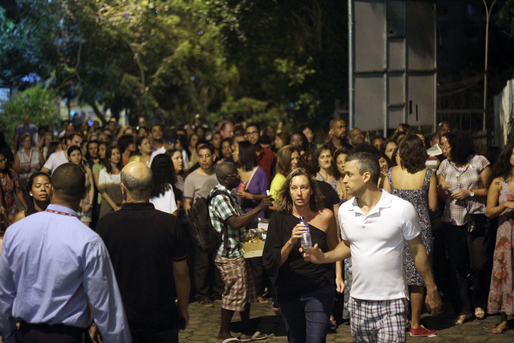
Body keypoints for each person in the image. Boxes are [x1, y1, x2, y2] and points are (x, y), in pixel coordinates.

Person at [303, 152, 442, 342]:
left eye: (349, 174)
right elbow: (348, 246)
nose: (344, 180)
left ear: (366, 176)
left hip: (392, 300)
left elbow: (418, 250)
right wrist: (324, 257)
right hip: (358, 301)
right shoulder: (345, 211)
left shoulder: (401, 208)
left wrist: (431, 288)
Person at [0, 163, 131, 343]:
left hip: (27, 334)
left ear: (52, 189)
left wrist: (8, 336)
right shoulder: (89, 241)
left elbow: (4, 293)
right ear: (84, 193)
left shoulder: (15, 232)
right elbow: (105, 304)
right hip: (69, 336)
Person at [96, 162, 189, 342]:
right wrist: (183, 308)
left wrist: (97, 316)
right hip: (162, 315)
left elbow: (100, 275)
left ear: (123, 189)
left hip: (121, 316)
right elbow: (181, 272)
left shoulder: (106, 224)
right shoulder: (169, 223)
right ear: (151, 187)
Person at [262, 168, 340, 342]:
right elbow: (271, 260)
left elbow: (335, 250)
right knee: (296, 338)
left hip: (319, 287)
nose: (299, 193)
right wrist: (290, 241)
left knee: (316, 338)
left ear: (311, 190)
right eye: (294, 188)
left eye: (304, 187)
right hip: (289, 289)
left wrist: (339, 277)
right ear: (288, 191)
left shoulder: (325, 215)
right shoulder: (279, 218)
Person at [209, 162, 272, 343]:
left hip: (238, 251)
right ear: (223, 179)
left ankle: (246, 331)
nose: (238, 177)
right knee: (234, 292)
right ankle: (223, 334)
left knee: (246, 292)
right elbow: (235, 222)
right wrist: (259, 208)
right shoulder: (220, 197)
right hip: (228, 253)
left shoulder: (229, 195)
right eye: (234, 175)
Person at [383, 134, 438, 337]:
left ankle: (396, 319)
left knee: (396, 274)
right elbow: (433, 205)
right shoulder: (428, 174)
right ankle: (415, 324)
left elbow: (385, 203)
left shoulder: (391, 173)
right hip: (420, 229)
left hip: (395, 229)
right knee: (418, 278)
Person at [437, 132, 491, 325]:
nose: (443, 150)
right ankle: (463, 307)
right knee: (457, 264)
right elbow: (441, 192)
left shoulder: (479, 162)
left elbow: (490, 191)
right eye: (442, 146)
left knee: (479, 262)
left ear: (458, 145)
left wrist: (469, 192)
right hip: (452, 219)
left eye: (446, 146)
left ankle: (479, 302)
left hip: (476, 216)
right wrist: (442, 187)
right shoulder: (444, 165)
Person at [183, 143, 221, 305]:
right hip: (201, 224)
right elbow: (187, 203)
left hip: (218, 222)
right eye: (201, 156)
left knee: (218, 258)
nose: (204, 160)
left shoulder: (219, 174)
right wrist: (194, 225)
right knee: (202, 261)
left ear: (214, 156)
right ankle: (202, 293)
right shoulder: (192, 177)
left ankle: (219, 291)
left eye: (207, 156)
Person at [485, 142, 514, 334]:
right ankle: (503, 317)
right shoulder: (498, 181)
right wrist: (505, 205)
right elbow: (489, 211)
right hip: (506, 233)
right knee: (504, 271)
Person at [13, 133, 44, 205]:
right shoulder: (19, 154)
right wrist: (23, 167)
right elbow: (15, 168)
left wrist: (39, 165)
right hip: (24, 180)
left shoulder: (36, 151)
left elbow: (43, 163)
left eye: (29, 141)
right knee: (28, 200)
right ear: (22, 143)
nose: (27, 143)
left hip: (35, 178)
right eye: (26, 141)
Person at [68, 146, 95, 226]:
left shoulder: (87, 170)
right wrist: (79, 204)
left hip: (86, 206)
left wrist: (90, 204)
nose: (77, 157)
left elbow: (91, 188)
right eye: (73, 155)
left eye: (78, 154)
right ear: (69, 157)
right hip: (73, 206)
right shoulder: (67, 171)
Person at [0, 153, 29, 225]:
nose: (4, 162)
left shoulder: (11, 173)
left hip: (12, 208)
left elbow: (18, 192)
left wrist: (27, 207)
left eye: (4, 159)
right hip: (1, 209)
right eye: (1, 161)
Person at [98, 145, 123, 218]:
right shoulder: (103, 172)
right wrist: (115, 207)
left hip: (122, 206)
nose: (116, 156)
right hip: (108, 208)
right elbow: (103, 192)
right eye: (113, 154)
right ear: (109, 157)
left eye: (118, 153)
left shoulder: (124, 171)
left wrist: (122, 205)